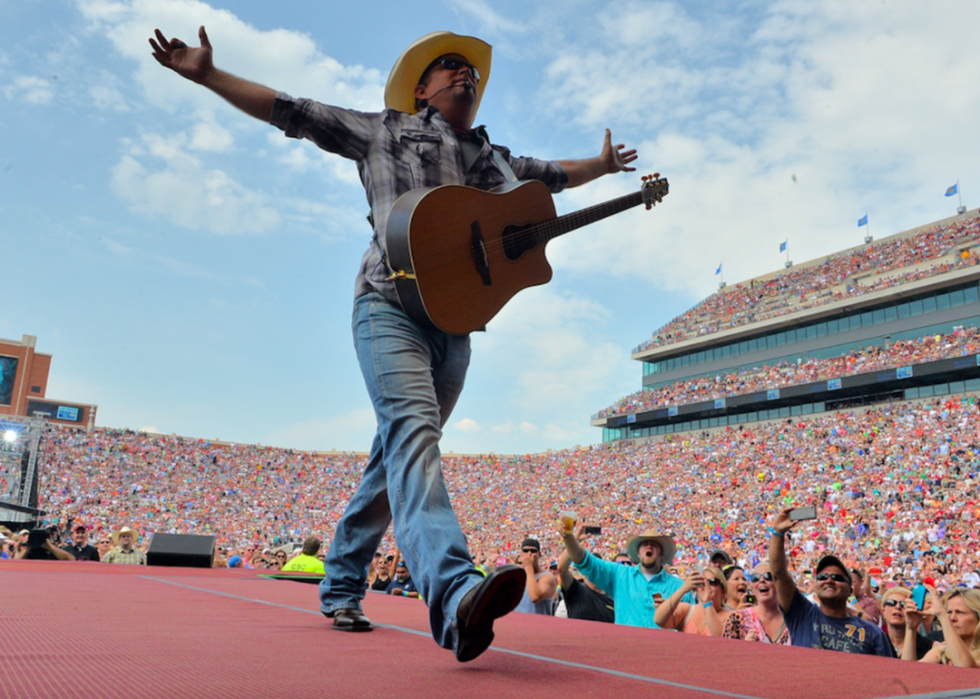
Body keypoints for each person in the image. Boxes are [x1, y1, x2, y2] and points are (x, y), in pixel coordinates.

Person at [149, 26, 636, 662]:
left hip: (456, 324)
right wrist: (209, 75)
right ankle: (457, 593)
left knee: (395, 457)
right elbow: (292, 111)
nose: (467, 75)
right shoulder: (383, 130)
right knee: (412, 434)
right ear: (421, 89)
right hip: (387, 307)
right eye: (451, 68)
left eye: (474, 72)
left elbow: (553, 178)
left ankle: (342, 581)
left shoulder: (496, 160)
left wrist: (600, 167)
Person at [769, 507, 890, 656]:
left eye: (838, 578)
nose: (829, 580)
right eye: (822, 577)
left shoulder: (873, 633)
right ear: (815, 585)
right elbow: (779, 575)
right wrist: (777, 533)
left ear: (850, 591)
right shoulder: (802, 613)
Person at [560, 525, 692, 628]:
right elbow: (585, 561)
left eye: (654, 544)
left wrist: (669, 612)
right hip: (626, 651)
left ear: (661, 554)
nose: (649, 546)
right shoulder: (620, 575)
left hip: (663, 653)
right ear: (638, 554)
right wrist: (569, 538)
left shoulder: (680, 587)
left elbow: (689, 624)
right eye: (645, 544)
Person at [906, 585, 980, 667]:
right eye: (949, 612)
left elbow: (966, 671)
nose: (952, 618)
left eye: (960, 612)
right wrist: (911, 629)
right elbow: (907, 672)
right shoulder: (942, 652)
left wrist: (943, 616)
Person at [722, 564, 789, 645]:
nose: (761, 580)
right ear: (752, 587)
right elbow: (726, 653)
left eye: (768, 576)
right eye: (755, 578)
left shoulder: (795, 620)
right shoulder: (737, 619)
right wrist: (744, 646)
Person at [554, 536, 614, 623]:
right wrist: (574, 540)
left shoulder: (612, 599)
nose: (595, 570)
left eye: (599, 566)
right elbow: (562, 568)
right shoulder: (577, 590)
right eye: (591, 567)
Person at [876, 587, 935, 660]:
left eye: (904, 604)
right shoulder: (875, 643)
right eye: (891, 602)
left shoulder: (930, 646)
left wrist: (911, 628)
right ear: (883, 611)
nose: (897, 607)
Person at [514, 538, 557, 615]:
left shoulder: (547, 577)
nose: (529, 553)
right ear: (521, 554)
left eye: (533, 551)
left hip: (536, 625)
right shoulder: (517, 574)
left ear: (539, 554)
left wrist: (528, 567)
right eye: (525, 551)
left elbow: (535, 597)